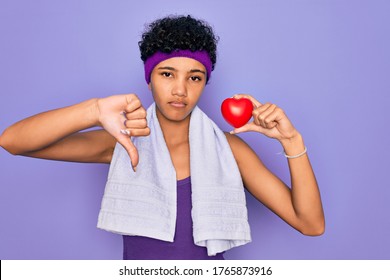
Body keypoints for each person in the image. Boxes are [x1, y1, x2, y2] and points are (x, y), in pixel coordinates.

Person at [0, 15, 324, 260]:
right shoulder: (125, 140)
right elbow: (13, 141)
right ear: (150, 78)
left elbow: (310, 224)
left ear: (204, 83)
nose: (180, 90)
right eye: (167, 74)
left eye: (194, 77)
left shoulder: (230, 149)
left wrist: (292, 141)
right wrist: (94, 110)